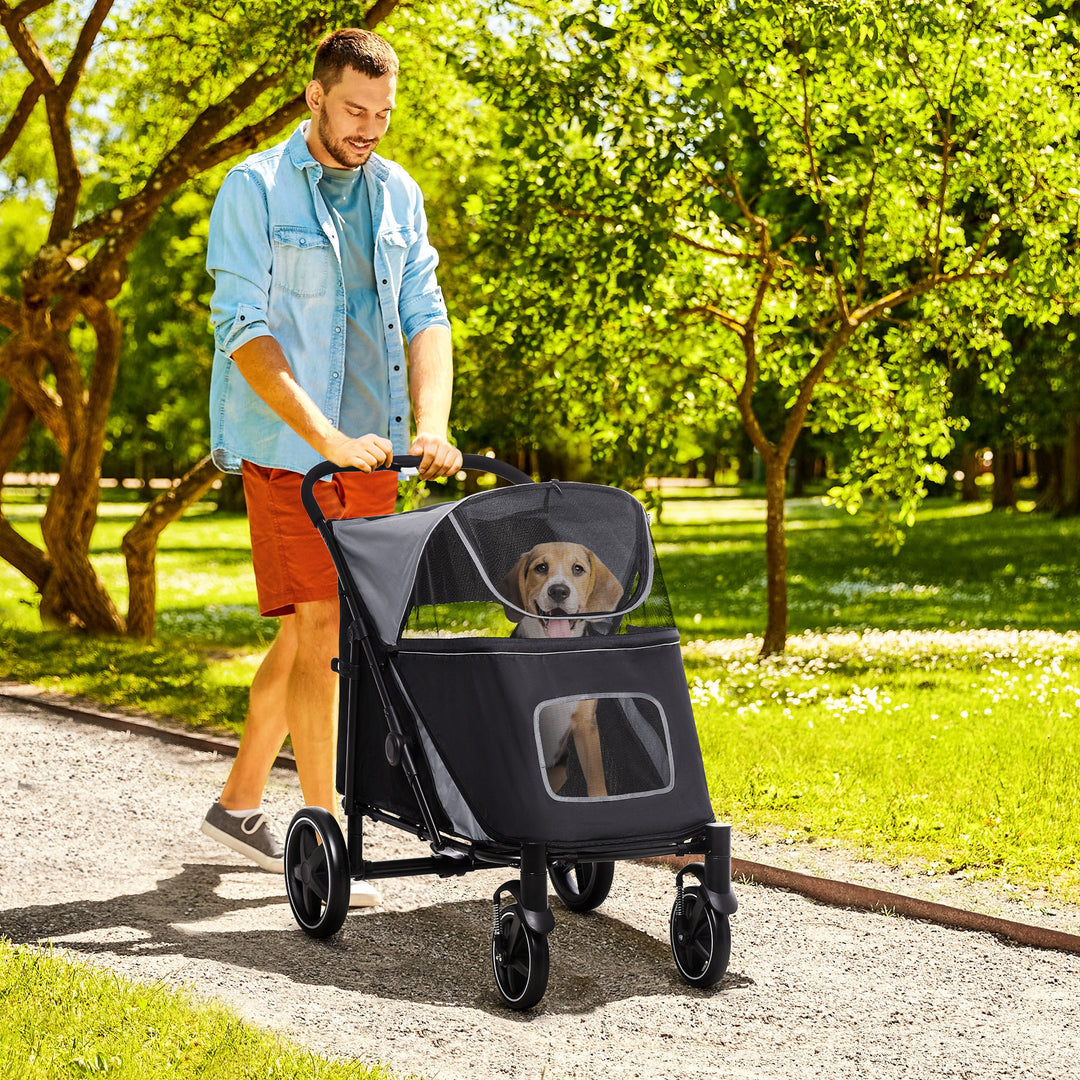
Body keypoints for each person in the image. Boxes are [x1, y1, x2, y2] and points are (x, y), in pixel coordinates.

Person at [199, 28, 462, 907]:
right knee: (321, 632)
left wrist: (431, 423)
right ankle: (324, 833)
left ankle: (239, 803)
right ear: (315, 96)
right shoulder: (256, 189)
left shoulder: (396, 194)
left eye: (384, 115)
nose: (370, 129)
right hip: (288, 452)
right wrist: (326, 440)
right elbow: (243, 329)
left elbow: (426, 311)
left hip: (376, 448)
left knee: (321, 629)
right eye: (356, 110)